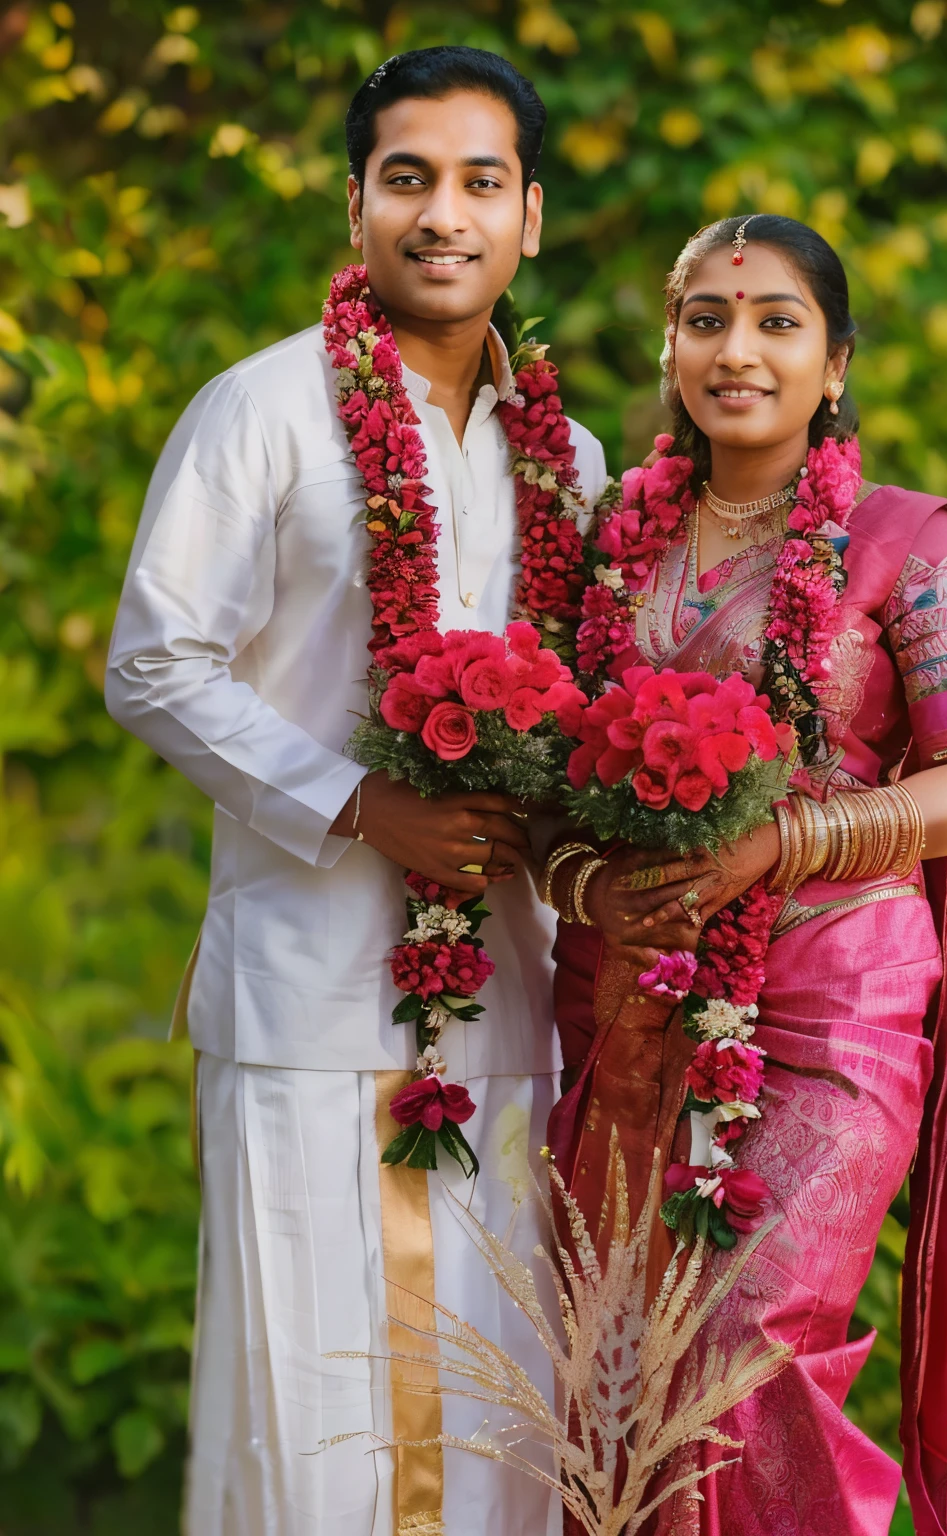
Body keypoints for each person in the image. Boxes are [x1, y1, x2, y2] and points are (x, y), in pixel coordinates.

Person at [106, 46, 606, 1536]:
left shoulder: (572, 464)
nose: (441, 214)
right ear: (355, 207)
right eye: (408, 179)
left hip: (516, 1015)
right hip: (309, 1005)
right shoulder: (259, 412)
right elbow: (153, 660)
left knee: (505, 1414)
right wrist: (355, 803)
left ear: (530, 217)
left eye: (478, 182)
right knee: (312, 1425)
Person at [543, 215, 947, 1536]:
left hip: (829, 1003)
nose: (735, 350)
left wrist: (788, 840)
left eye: (776, 322)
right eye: (706, 319)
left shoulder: (912, 546)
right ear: (670, 347)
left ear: (836, 361)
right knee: (613, 1374)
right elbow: (546, 772)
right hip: (630, 999)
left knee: (750, 1349)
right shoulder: (606, 544)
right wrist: (587, 882)